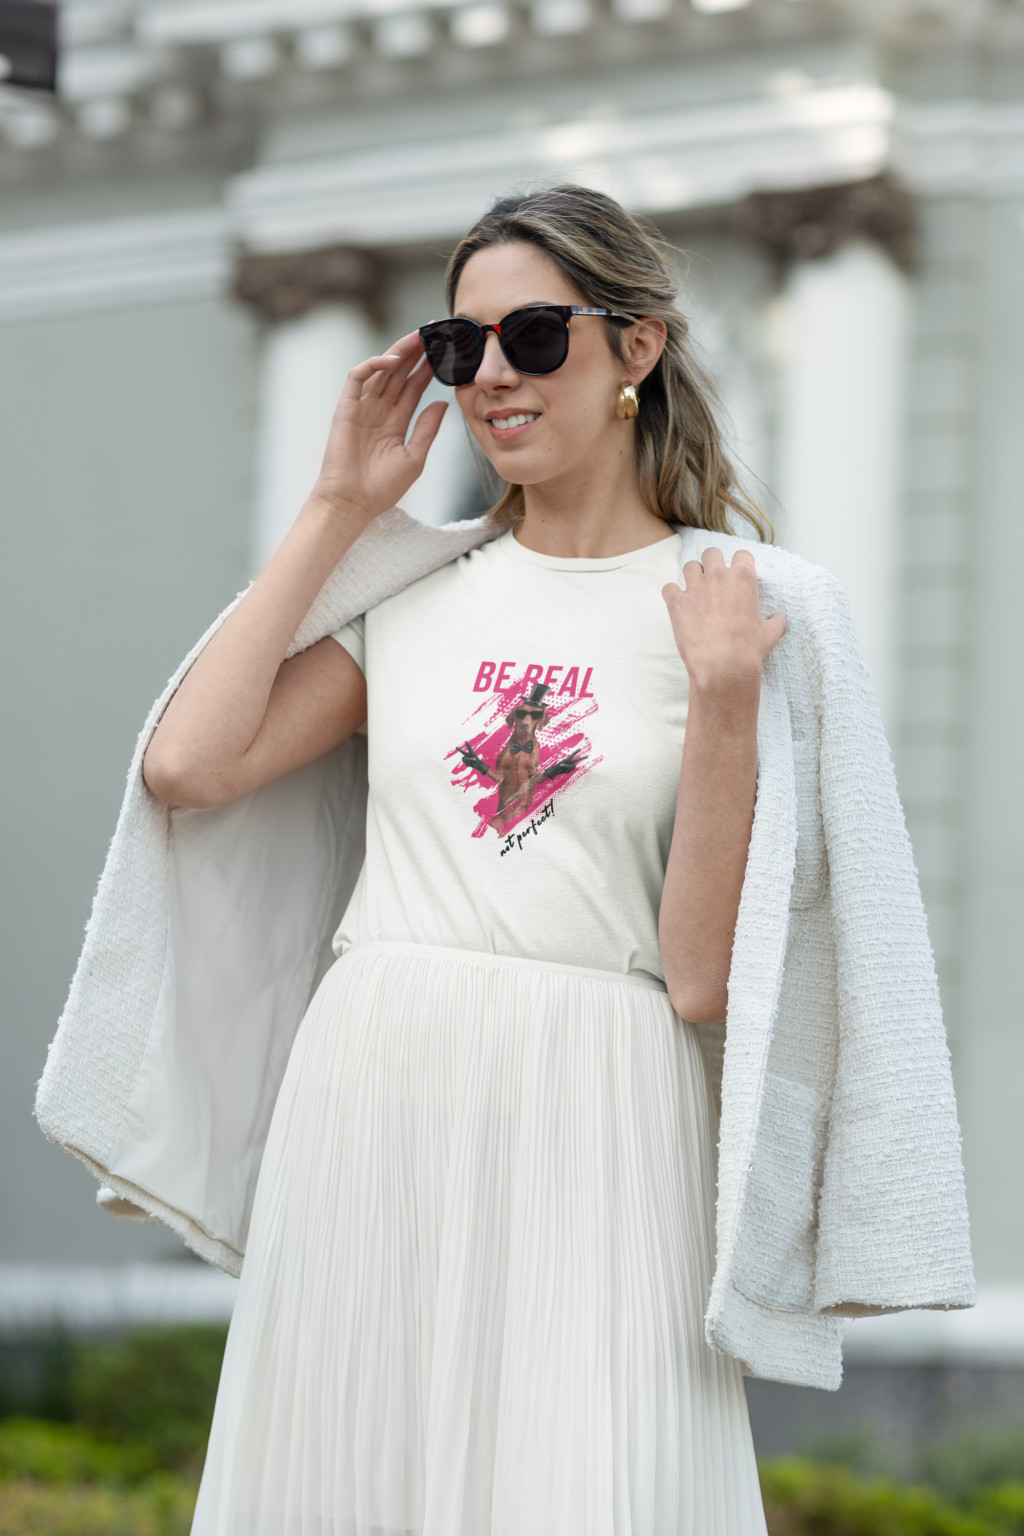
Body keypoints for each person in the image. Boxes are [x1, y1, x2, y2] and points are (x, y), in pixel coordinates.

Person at [36, 183, 976, 1536]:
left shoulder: (750, 613)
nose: (490, 376)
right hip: (376, 1086)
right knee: (347, 1471)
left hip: (604, 1105)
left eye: (533, 336)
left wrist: (723, 701)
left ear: (635, 348)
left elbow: (702, 979)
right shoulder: (414, 594)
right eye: (458, 344)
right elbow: (188, 766)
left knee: (587, 1479)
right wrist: (335, 508)